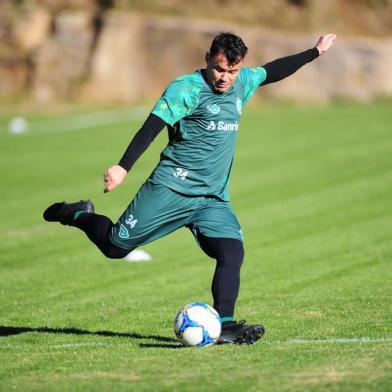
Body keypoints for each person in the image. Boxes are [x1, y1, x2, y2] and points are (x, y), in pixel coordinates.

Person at [44, 32, 336, 345]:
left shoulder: (243, 83)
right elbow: (151, 127)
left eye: (232, 71)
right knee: (115, 247)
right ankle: (75, 213)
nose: (225, 78)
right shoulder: (186, 89)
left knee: (231, 252)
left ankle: (224, 324)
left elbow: (274, 70)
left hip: (211, 198)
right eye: (220, 69)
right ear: (208, 58)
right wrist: (122, 167)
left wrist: (314, 52)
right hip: (170, 188)